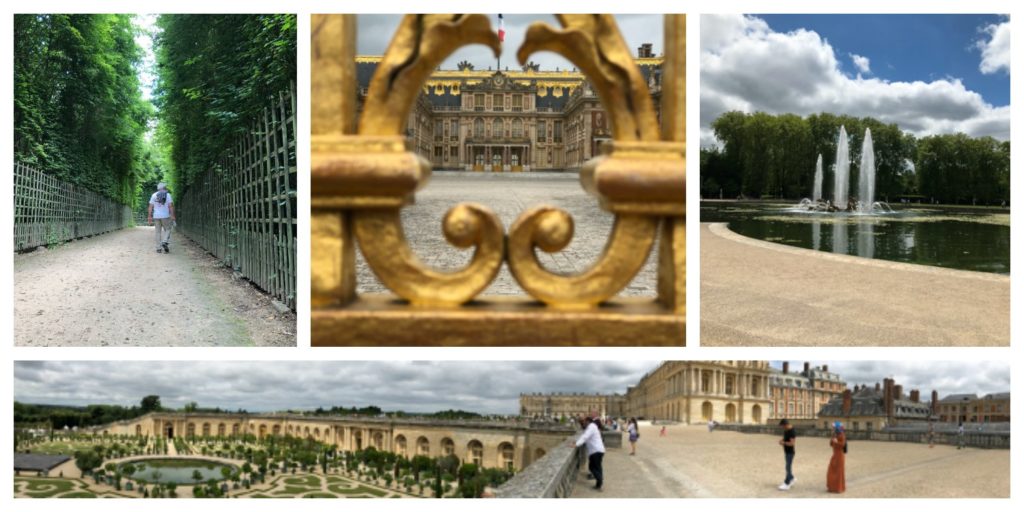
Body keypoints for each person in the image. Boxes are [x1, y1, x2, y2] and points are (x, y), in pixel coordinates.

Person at [573, 417, 605, 491]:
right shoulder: (591, 427)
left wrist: (576, 444)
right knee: (598, 467)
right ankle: (599, 484)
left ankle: (600, 479)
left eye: (585, 422)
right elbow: (583, 436)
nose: (584, 423)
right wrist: (576, 442)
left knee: (592, 467)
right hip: (599, 450)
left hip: (595, 451)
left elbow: (585, 437)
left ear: (588, 421)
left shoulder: (591, 427)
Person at [148, 182, 176, 253]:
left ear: (158, 188)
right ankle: (164, 241)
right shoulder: (168, 195)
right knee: (168, 229)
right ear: (164, 188)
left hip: (156, 216)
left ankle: (158, 248)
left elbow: (150, 206)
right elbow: (170, 206)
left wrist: (149, 216)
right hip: (165, 216)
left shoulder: (154, 195)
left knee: (157, 232)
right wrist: (172, 215)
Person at [827, 421, 846, 493]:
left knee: (838, 472)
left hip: (840, 456)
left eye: (834, 427)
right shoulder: (835, 435)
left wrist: (836, 441)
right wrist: (832, 439)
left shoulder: (842, 435)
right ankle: (832, 487)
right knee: (831, 470)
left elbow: (842, 445)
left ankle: (839, 488)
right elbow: (831, 444)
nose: (832, 429)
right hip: (835, 455)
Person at [778, 419, 796, 490]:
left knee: (788, 467)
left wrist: (783, 443)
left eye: (782, 426)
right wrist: (782, 440)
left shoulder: (792, 432)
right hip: (786, 451)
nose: (782, 428)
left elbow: (792, 443)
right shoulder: (786, 430)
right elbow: (785, 438)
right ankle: (792, 478)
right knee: (788, 467)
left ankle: (787, 483)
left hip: (790, 452)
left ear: (786, 425)